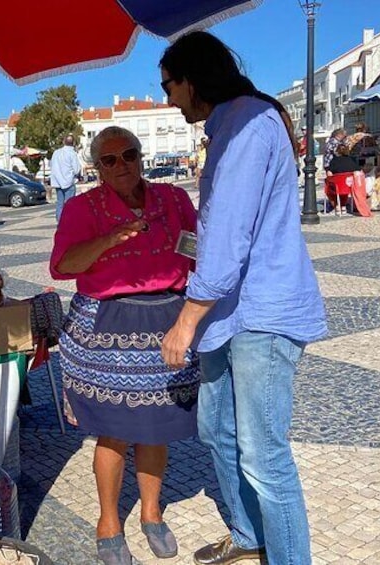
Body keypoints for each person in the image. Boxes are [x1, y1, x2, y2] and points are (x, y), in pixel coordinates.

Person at [158, 31, 327, 565]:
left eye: (168, 87)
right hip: (227, 315)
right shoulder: (227, 125)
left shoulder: (249, 124)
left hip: (261, 313)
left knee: (263, 455)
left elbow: (230, 238)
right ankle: (249, 535)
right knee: (215, 429)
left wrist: (185, 320)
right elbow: (223, 230)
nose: (167, 99)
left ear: (190, 80)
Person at [50, 126, 200, 565]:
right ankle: (109, 522)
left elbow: (193, 247)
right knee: (114, 430)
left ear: (140, 157)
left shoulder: (172, 200)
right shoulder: (81, 207)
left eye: (129, 155)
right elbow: (62, 265)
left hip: (166, 324)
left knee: (156, 426)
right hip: (108, 327)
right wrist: (108, 241)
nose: (122, 165)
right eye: (109, 160)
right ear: (96, 167)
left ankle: (151, 513)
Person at [50, 134, 82, 222]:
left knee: (60, 203)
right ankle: (68, 222)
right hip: (68, 181)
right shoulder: (72, 154)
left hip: (57, 181)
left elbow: (51, 165)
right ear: (74, 143)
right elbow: (77, 169)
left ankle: (60, 221)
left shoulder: (56, 152)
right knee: (69, 204)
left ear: (64, 142)